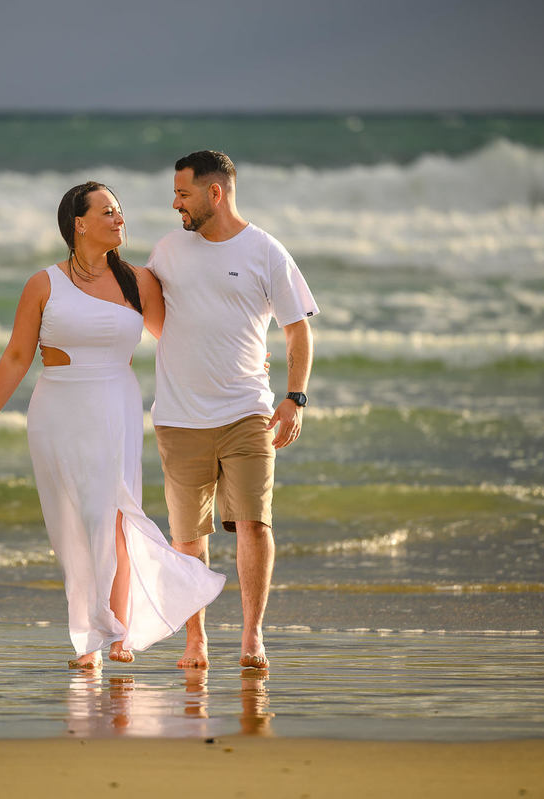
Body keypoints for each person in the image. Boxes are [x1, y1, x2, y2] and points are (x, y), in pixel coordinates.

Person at [0, 181, 225, 669]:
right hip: (57, 409)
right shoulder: (43, 284)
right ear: (79, 223)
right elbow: (18, 354)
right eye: (107, 211)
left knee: (114, 515)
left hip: (115, 403)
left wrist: (238, 361)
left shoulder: (139, 281)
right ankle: (91, 630)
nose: (119, 219)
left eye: (120, 211)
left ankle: (116, 632)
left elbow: (177, 340)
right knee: (74, 521)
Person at [147, 151, 318, 671]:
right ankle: (195, 639)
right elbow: (152, 313)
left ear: (214, 193)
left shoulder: (266, 251)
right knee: (186, 537)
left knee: (253, 522)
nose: (175, 203)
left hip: (247, 412)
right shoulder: (169, 249)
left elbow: (298, 329)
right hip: (179, 417)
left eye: (183, 193)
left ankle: (251, 634)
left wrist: (295, 397)